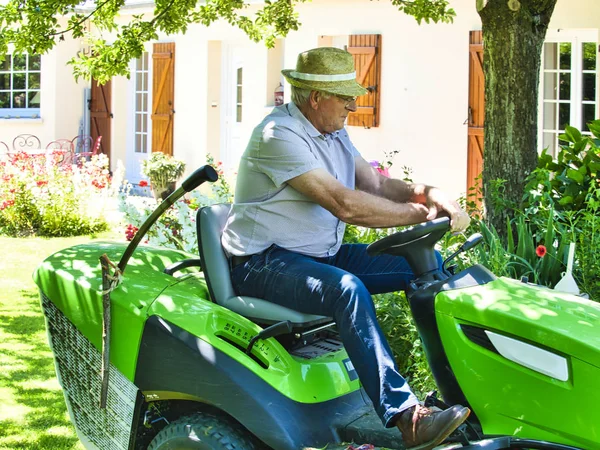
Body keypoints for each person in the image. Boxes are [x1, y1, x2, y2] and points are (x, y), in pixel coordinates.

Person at [222, 47, 471, 450]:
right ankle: (406, 418)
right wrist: (419, 215)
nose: (354, 106)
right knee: (346, 289)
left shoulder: (333, 132)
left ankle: (459, 394)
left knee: (426, 265)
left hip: (318, 254)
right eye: (345, 97)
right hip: (261, 262)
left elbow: (374, 185)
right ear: (316, 98)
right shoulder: (278, 135)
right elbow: (345, 204)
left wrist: (429, 193)